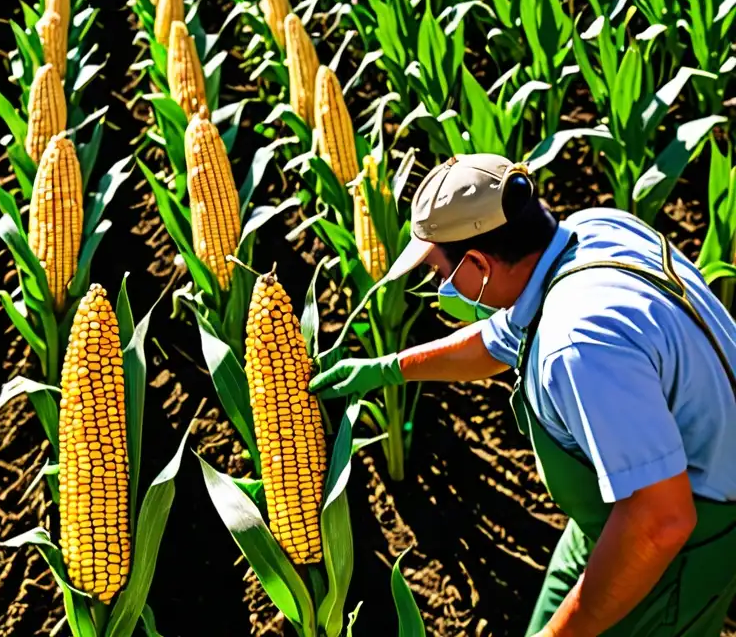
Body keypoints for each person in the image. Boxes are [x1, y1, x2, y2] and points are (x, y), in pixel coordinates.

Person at [309, 154, 736, 637]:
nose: (440, 287)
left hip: (684, 538)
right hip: (621, 500)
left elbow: (660, 519)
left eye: (438, 272)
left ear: (477, 263)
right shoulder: (593, 229)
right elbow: (499, 340)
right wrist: (388, 369)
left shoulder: (579, 346)